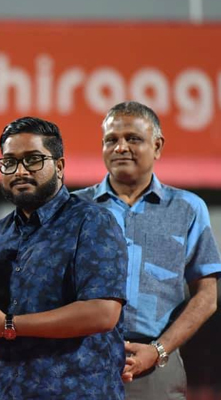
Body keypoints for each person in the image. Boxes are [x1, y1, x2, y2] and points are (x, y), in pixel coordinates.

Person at [0, 116, 128, 399]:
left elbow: (103, 313)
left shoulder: (92, 222)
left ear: (60, 166)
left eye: (33, 160)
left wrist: (8, 325)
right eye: (10, 162)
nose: (20, 171)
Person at [74, 101, 221, 399]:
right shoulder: (73, 208)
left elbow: (207, 297)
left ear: (157, 146)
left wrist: (158, 350)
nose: (120, 147)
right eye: (111, 140)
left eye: (133, 138)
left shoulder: (188, 209)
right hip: (78, 363)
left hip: (156, 368)